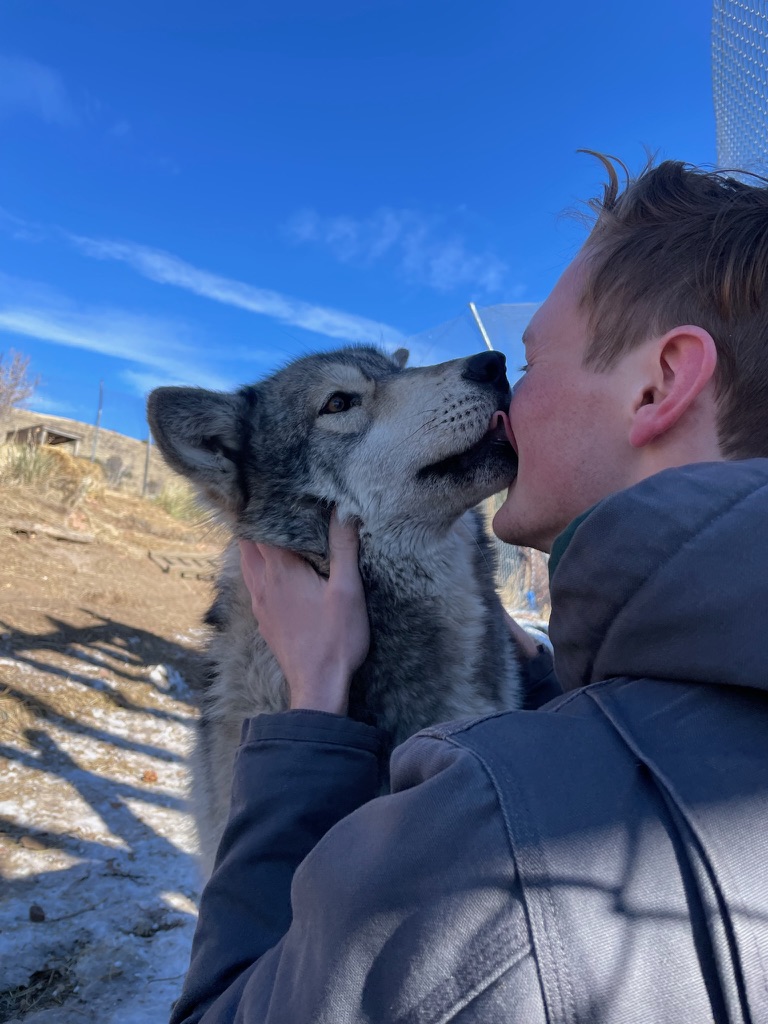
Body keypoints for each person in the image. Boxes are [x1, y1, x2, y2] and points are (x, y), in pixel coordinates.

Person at [170, 156, 768, 1024]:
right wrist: (541, 669)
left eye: (530, 363)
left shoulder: (488, 851)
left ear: (660, 384)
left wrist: (307, 722)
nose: (498, 383)